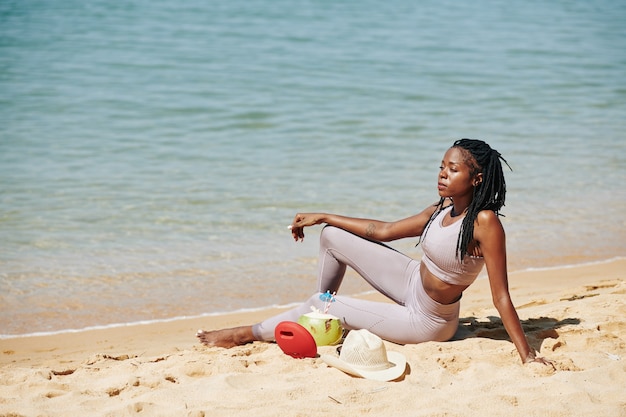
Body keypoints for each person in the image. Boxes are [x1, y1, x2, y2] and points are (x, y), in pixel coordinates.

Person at [197, 139, 553, 366]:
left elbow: (501, 296)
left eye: (453, 169)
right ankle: (322, 318)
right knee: (333, 237)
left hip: (429, 320)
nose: (443, 174)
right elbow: (382, 231)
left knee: (325, 304)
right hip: (411, 282)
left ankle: (249, 332)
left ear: (476, 179)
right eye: (441, 166)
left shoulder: (485, 223)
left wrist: (527, 355)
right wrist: (322, 216)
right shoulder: (442, 208)